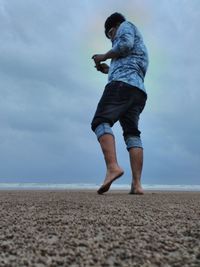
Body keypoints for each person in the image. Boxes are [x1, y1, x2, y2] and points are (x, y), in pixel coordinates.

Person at [91, 12, 149, 195]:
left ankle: (112, 167)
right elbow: (127, 61)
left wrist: (103, 56)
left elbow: (124, 44)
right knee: (132, 133)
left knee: (100, 121)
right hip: (137, 91)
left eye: (110, 36)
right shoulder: (137, 46)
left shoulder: (125, 26)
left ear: (113, 28)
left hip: (122, 85)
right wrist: (107, 69)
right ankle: (137, 184)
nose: (111, 41)